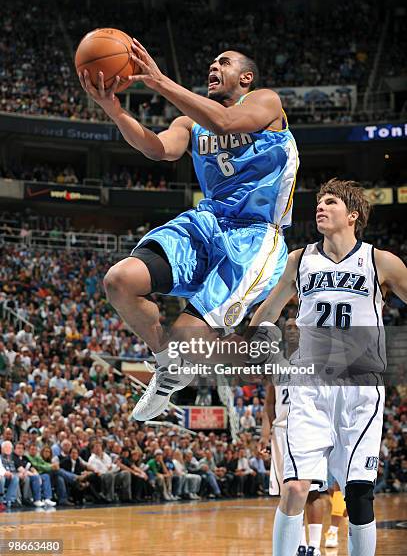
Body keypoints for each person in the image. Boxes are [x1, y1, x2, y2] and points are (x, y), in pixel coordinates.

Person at [79, 42, 299, 421]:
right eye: (212, 62)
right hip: (207, 222)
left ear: (245, 77)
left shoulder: (266, 102)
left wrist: (159, 81)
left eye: (224, 63)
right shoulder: (189, 123)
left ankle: (254, 348)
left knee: (189, 338)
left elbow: (226, 124)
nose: (214, 66)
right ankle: (168, 365)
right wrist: (111, 108)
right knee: (119, 281)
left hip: (255, 236)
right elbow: (157, 149)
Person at [249, 178, 407, 556]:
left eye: (330, 202)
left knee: (357, 492)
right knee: (295, 487)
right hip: (310, 386)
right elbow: (265, 315)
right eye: (319, 202)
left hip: (360, 387)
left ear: (352, 215)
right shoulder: (299, 260)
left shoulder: (380, 261)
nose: (320, 207)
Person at [260, 318, 324, 556]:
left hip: (309, 429)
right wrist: (264, 436)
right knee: (288, 493)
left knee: (314, 491)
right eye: (288, 327)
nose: (292, 330)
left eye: (297, 326)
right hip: (281, 432)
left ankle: (315, 548)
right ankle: (299, 546)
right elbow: (269, 404)